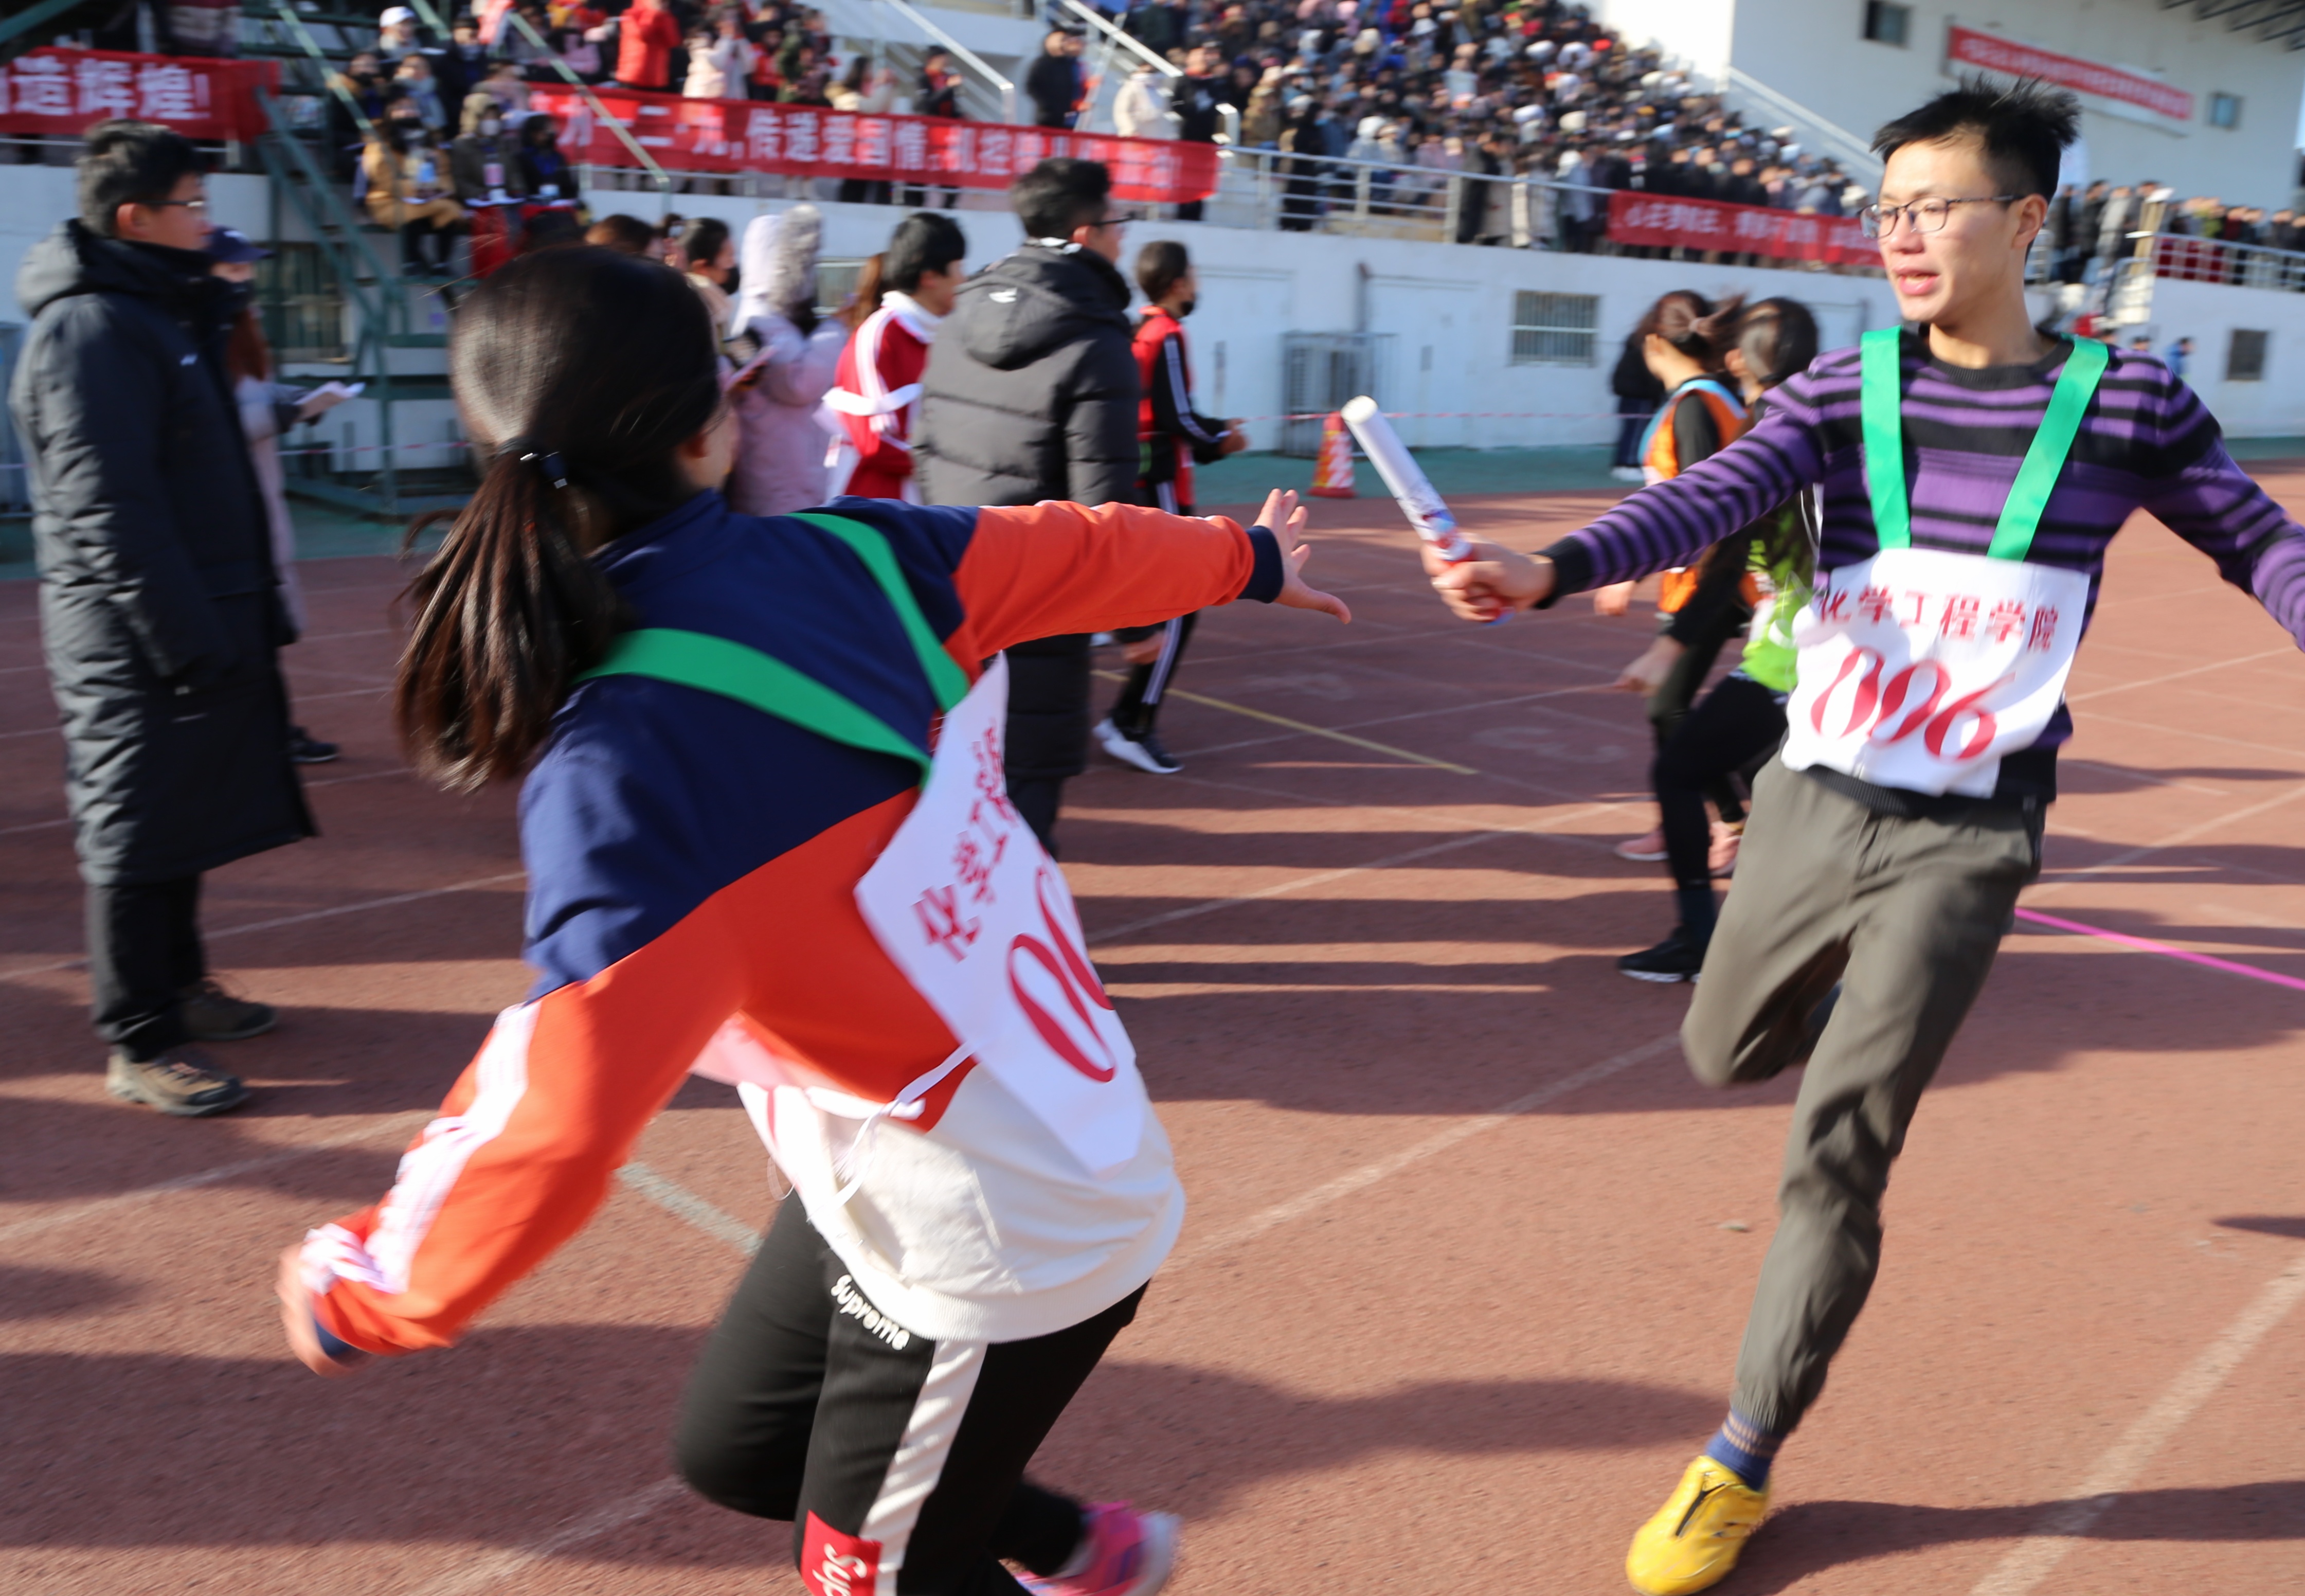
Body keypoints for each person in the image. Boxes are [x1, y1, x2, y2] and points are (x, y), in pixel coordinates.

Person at [271, 244, 1348, 1596]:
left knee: (867, 1576)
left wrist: (368, 1282)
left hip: (999, 1211)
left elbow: (553, 1109)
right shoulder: (864, 557)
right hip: (923, 1131)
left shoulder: (627, 762)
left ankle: (987, 1535)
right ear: (710, 429)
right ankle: (1058, 1536)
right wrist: (1239, 553)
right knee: (739, 1447)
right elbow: (1080, 546)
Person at [1424, 77, 2305, 1594]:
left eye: (1936, 206)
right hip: (1813, 800)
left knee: (1840, 1146)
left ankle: (1740, 1452)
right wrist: (1554, 564)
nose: (1902, 234)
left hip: (1972, 836)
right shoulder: (1838, 391)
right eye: (1887, 208)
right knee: (1719, 1052)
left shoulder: (2132, 401)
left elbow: (2260, 538)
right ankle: (1819, 1001)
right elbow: (1710, 494)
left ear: (2025, 220)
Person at [10, 121, 313, 1118]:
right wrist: (184, 635)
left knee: (179, 813)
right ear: (137, 217)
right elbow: (109, 509)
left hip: (182, 618)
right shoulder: (91, 329)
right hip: (133, 632)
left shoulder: (157, 315)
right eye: (193, 206)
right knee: (134, 828)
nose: (209, 223)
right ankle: (139, 1037)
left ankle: (180, 986)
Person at [915, 158, 1142, 855]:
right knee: (1022, 816)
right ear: (1084, 232)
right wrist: (1139, 615)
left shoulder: (957, 317)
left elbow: (925, 451)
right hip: (1038, 607)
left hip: (951, 591)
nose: (1123, 239)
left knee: (952, 805)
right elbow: (1106, 509)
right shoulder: (1097, 340)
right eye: (1116, 224)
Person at [1614, 297, 1818, 983]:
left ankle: (1703, 940)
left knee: (1680, 767)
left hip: (1793, 658)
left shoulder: (1767, 438)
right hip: (1852, 655)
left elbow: (1724, 551)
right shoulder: (1840, 427)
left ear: (1735, 360)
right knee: (1780, 787)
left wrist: (1667, 643)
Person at [1597, 291, 1749, 871]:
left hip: (1712, 581)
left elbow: (1700, 508)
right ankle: (1690, 816)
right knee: (1672, 706)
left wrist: (1629, 568)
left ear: (1656, 343)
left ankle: (1732, 821)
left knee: (1669, 708)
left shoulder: (1694, 406)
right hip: (1709, 576)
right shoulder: (1712, 399)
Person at [1095, 239, 1247, 776]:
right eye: (1195, 273)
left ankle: (1128, 710)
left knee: (1161, 599)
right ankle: (1132, 722)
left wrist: (1210, 436)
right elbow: (1177, 418)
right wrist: (1220, 438)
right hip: (1159, 483)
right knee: (1182, 604)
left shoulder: (1136, 329)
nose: (1197, 282)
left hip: (1139, 475)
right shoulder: (1168, 335)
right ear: (1180, 281)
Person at [209, 227, 350, 766]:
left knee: (262, 626)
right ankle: (252, 732)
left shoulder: (242, 327)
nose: (246, 277)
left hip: (260, 500)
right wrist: (286, 411)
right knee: (241, 627)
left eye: (248, 268)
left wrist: (296, 399)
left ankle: (270, 727)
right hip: (226, 507)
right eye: (234, 268)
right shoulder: (195, 334)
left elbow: (250, 397)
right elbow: (213, 424)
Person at [824, 211, 967, 501]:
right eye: (958, 268)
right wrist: (959, 462)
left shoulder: (950, 333)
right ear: (929, 277)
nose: (964, 280)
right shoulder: (879, 335)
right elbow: (876, 441)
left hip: (930, 508)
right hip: (878, 513)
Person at [725, 205, 844, 515]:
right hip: (777, 481)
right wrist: (839, 326)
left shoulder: (761, 317)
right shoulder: (761, 321)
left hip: (782, 474)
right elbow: (800, 382)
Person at [363, 107, 465, 277]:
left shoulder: (434, 151)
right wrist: (415, 189)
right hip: (389, 200)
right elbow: (385, 180)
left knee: (451, 211)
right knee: (411, 214)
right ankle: (411, 263)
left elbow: (445, 176)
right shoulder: (380, 149)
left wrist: (436, 188)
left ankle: (442, 263)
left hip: (430, 200)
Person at [448, 92, 528, 205]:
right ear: (475, 118)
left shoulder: (502, 143)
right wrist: (481, 194)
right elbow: (460, 181)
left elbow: (514, 173)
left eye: (495, 116)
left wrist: (517, 189)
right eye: (487, 117)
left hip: (505, 201)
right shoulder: (461, 145)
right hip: (478, 204)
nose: (492, 121)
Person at [676, 214, 736, 336]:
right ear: (702, 267)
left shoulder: (713, 305)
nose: (733, 263)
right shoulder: (697, 311)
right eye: (729, 255)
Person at [615, 0, 683, 92]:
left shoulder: (665, 16)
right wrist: (654, 13)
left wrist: (663, 16)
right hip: (633, 77)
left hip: (656, 78)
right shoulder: (630, 14)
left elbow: (673, 41)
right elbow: (643, 35)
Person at [1025, 30, 1085, 131]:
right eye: (1062, 40)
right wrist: (1046, 106)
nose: (1064, 43)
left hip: (1067, 118)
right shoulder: (1042, 63)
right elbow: (1031, 87)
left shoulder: (1069, 65)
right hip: (1047, 118)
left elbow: (1074, 88)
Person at [517, 112, 578, 203]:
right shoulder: (522, 158)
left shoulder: (558, 157)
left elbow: (569, 187)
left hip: (559, 205)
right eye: (542, 130)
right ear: (533, 133)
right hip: (533, 205)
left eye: (547, 130)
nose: (545, 134)